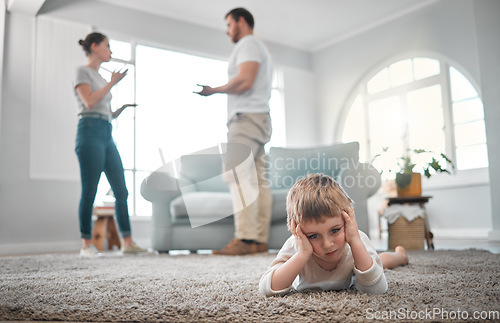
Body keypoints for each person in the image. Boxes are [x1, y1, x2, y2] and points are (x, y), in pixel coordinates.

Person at [195, 8, 273, 255]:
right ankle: (258, 240)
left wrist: (213, 90)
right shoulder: (259, 47)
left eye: (229, 24)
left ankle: (245, 238)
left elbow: (246, 80)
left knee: (238, 174)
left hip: (246, 119)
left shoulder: (248, 43)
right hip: (259, 118)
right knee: (258, 180)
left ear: (241, 21)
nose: (228, 30)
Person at [259, 174, 409, 297]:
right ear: (297, 230)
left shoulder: (356, 239)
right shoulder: (296, 245)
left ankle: (400, 256)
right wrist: (303, 254)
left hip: (355, 269)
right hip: (311, 256)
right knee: (374, 262)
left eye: (335, 230)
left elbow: (377, 290)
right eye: (313, 236)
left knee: (379, 262)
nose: (328, 244)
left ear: (347, 219)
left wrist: (355, 241)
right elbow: (266, 290)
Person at [74, 32, 146, 257]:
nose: (111, 51)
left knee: (121, 190)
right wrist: (113, 84)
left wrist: (122, 107)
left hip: (106, 132)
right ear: (94, 47)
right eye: (107, 46)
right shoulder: (83, 72)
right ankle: (86, 244)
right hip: (89, 132)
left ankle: (127, 242)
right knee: (90, 190)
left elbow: (106, 111)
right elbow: (89, 101)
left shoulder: (101, 78)